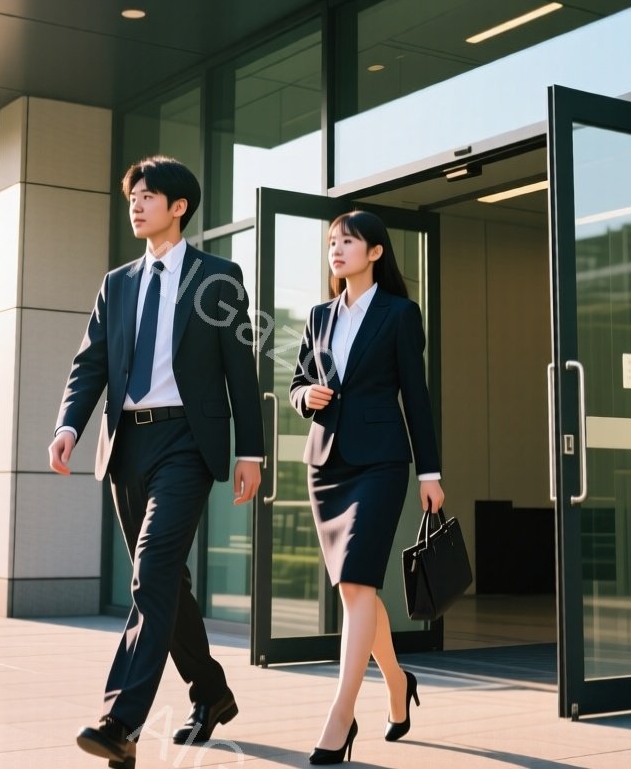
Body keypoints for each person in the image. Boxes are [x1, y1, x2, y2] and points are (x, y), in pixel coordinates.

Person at [49, 157, 265, 768]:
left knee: (150, 573)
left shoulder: (217, 277)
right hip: (126, 447)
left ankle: (121, 722)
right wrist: (70, 424)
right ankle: (212, 692)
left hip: (186, 445)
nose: (137, 205)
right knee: (167, 582)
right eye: (132, 197)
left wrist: (251, 449)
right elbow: (90, 362)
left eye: (148, 196)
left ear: (179, 207)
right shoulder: (117, 283)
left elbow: (240, 371)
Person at [288, 210, 443, 765]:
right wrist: (304, 398)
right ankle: (398, 683)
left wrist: (431, 472)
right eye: (332, 241)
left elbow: (416, 398)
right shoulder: (318, 315)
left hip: (380, 463)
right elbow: (297, 382)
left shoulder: (401, 314)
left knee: (357, 584)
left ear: (375, 251)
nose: (337, 248)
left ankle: (340, 717)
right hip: (326, 465)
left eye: (348, 240)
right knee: (358, 591)